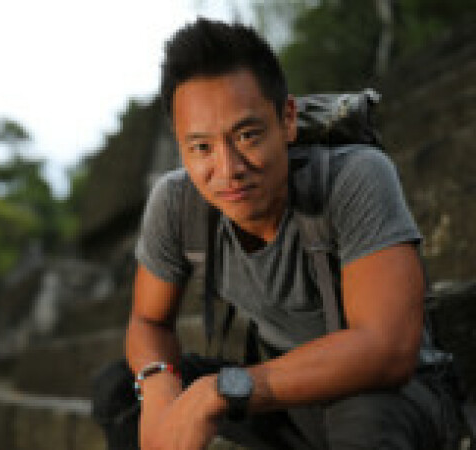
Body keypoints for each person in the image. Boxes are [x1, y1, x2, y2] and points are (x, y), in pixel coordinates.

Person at [113, 17, 462, 450]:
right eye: (201, 147)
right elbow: (148, 321)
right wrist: (157, 386)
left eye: (247, 135)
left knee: (366, 416)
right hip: (287, 399)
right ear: (181, 147)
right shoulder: (175, 203)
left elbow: (387, 349)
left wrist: (220, 391)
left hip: (390, 393)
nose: (229, 169)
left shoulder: (353, 177)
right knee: (121, 390)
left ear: (288, 120)